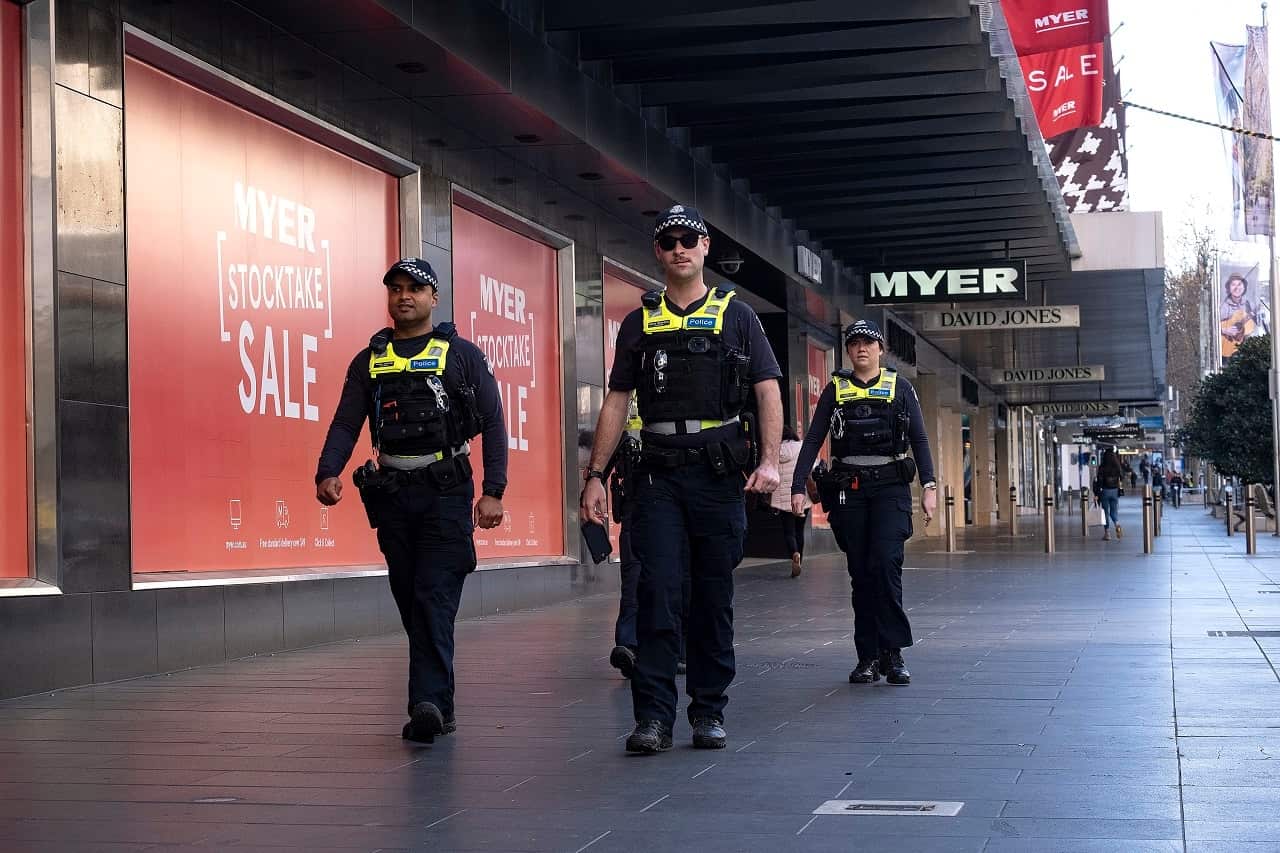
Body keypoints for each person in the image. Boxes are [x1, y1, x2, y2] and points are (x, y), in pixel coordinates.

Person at [581, 203, 782, 754]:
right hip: (657, 476)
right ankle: (652, 719)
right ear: (658, 252)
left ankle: (708, 712)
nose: (679, 249)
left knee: (712, 598)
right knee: (657, 595)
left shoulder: (737, 315)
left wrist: (769, 461)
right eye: (669, 242)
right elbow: (617, 399)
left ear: (704, 249)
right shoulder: (639, 322)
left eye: (688, 240)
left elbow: (767, 388)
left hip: (717, 476)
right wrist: (596, 474)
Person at [314, 258, 507, 744]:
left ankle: (426, 702)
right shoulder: (369, 360)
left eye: (415, 289)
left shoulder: (461, 354)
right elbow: (345, 422)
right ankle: (440, 700)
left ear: (433, 297)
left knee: (432, 595)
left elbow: (495, 421)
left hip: (447, 491)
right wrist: (328, 471)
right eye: (396, 289)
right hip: (394, 494)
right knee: (409, 596)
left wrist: (493, 490)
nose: (404, 296)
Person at [792, 320, 936, 686]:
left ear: (880, 349)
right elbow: (813, 439)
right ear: (848, 350)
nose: (861, 349)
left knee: (886, 565)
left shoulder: (900, 387)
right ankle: (868, 657)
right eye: (854, 343)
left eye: (868, 344)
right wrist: (796, 485)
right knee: (861, 573)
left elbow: (919, 439)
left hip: (890, 488)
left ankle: (894, 653)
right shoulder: (835, 389)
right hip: (849, 490)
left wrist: (930, 486)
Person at [607, 403, 690, 679]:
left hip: (674, 496)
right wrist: (596, 476)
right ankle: (628, 646)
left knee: (675, 577)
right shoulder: (627, 394)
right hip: (637, 496)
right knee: (633, 575)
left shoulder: (679, 384)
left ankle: (677, 650)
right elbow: (610, 439)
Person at [775, 424, 812, 578]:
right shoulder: (802, 447)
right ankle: (800, 561)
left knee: (789, 532)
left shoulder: (776, 451)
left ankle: (794, 553)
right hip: (801, 495)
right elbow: (813, 466)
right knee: (799, 530)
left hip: (783, 498)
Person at [1094, 448, 1123, 541]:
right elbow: (1121, 478)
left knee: (1105, 513)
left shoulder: (1102, 467)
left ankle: (1107, 534)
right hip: (1115, 491)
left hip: (1105, 491)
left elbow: (1099, 482)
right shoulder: (1117, 467)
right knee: (1113, 512)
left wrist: (1097, 493)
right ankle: (1117, 524)